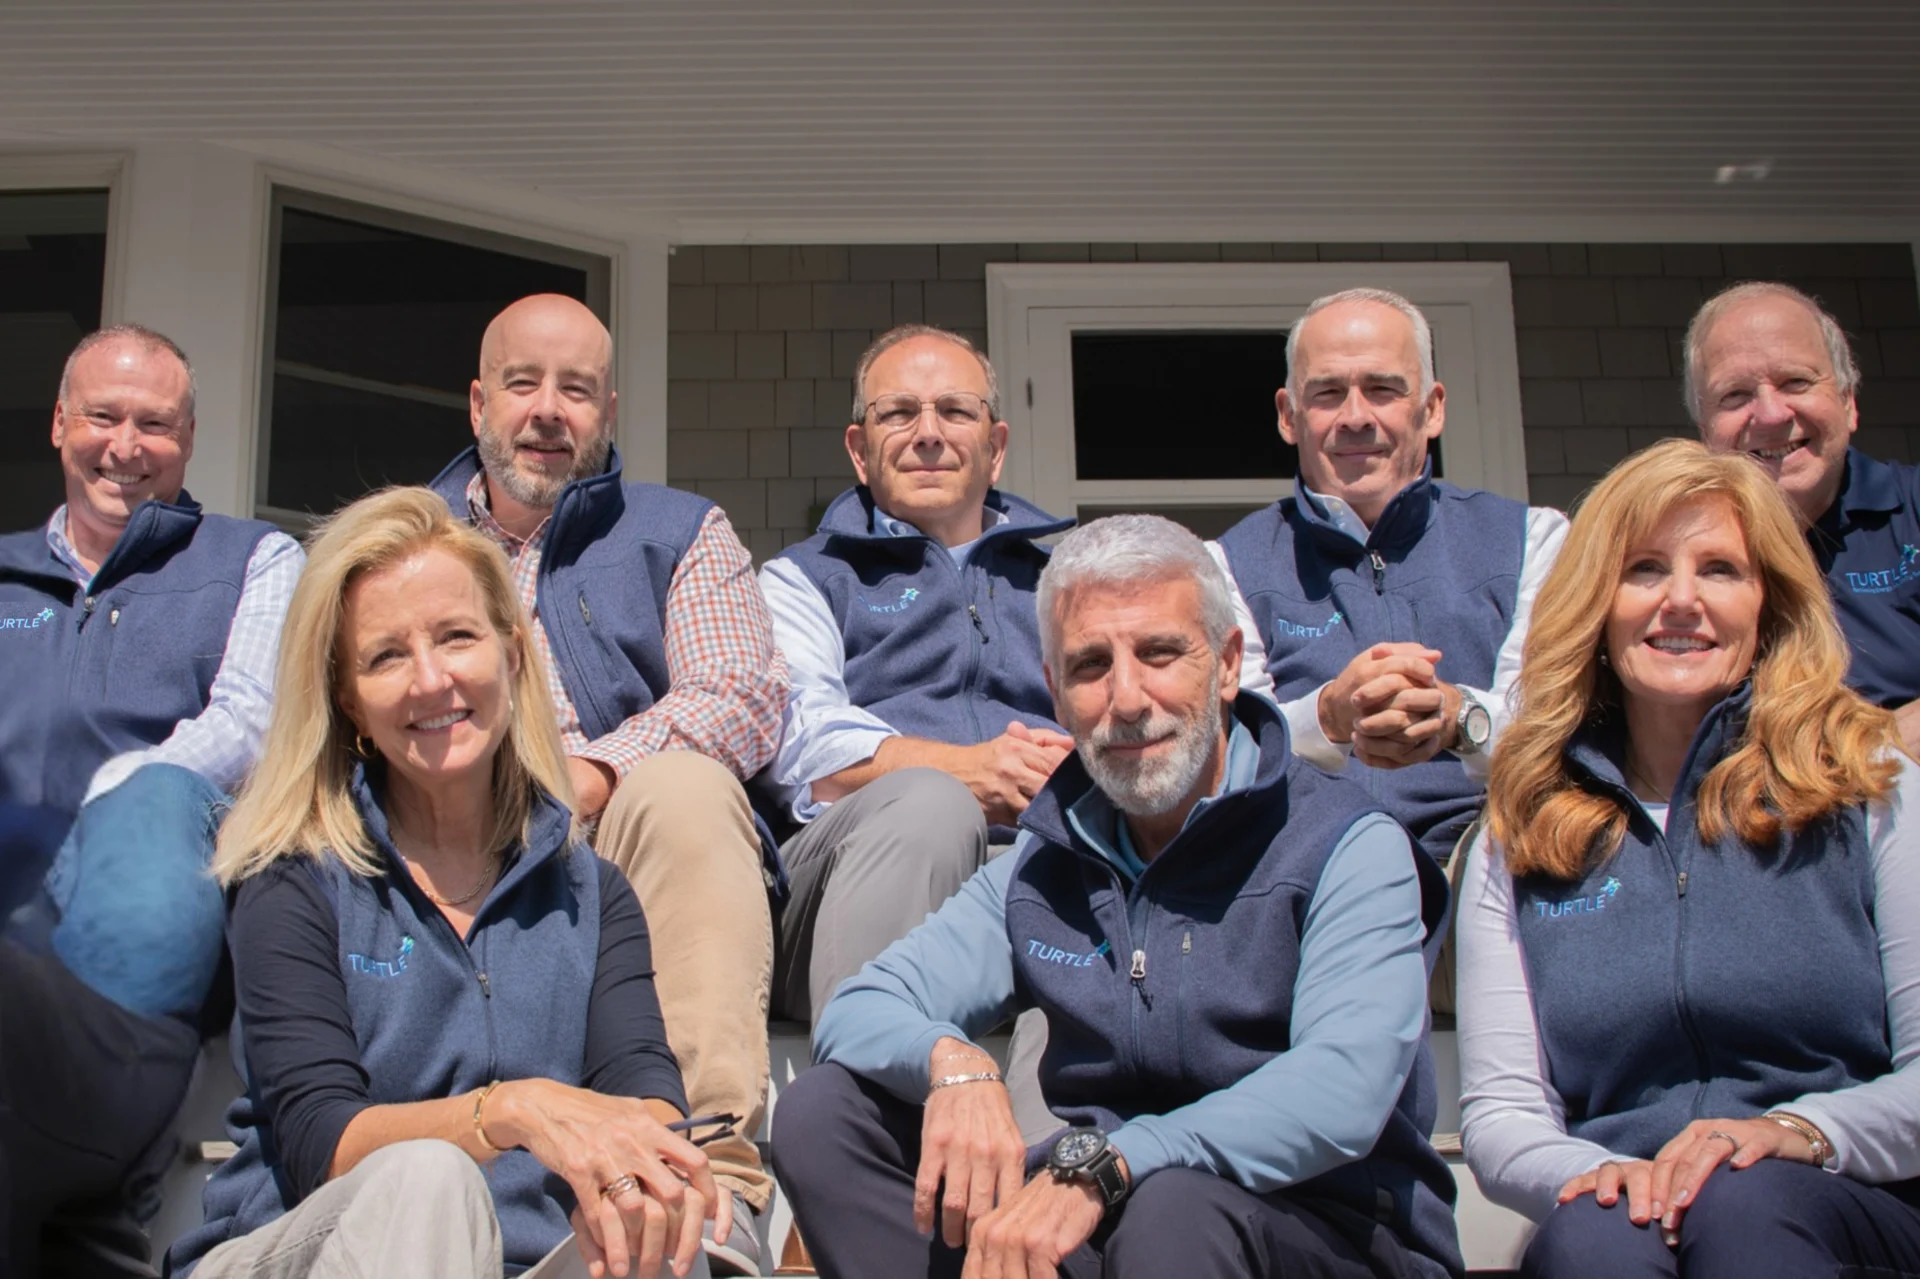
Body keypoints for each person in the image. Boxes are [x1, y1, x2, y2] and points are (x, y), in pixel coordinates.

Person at [772, 514, 1462, 1279]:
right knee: (824, 1114)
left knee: (1176, 1210)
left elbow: (1344, 1088)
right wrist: (954, 1064)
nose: (1127, 698)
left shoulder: (1347, 843)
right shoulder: (1048, 857)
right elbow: (863, 1005)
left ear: (1228, 664)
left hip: (1329, 1234)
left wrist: (1116, 1161)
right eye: (1091, 664)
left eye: (1160, 653)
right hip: (1107, 1225)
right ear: (1055, 694)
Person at [168, 487, 726, 1279]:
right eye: (386, 655)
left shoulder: (592, 892)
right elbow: (319, 1140)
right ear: (348, 698)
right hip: (310, 1248)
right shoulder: (290, 877)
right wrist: (511, 1110)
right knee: (428, 1180)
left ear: (513, 653)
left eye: (456, 637)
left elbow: (643, 1089)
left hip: (526, 1261)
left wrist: (645, 1173)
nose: (431, 680)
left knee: (659, 1231)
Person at [1457, 438, 1920, 1278]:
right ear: (1596, 600)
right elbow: (1501, 1113)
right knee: (1590, 1237)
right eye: (1643, 569)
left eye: (1719, 569)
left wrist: (1796, 1133)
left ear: (1767, 601)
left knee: (1743, 1199)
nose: (1681, 601)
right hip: (1622, 1198)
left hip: (1851, 1194)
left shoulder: (1867, 781)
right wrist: (1601, 1173)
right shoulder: (1523, 823)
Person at [428, 295, 787, 1273]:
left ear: (608, 411)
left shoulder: (677, 529)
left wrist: (593, 771)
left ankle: (713, 1179)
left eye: (576, 389)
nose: (549, 409)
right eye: (524, 383)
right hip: (441, 820)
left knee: (684, 784)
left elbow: (743, 694)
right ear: (476, 404)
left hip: (616, 826)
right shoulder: (406, 539)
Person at [0, 325, 301, 1273]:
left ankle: (97, 1169)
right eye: (103, 416)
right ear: (59, 423)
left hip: (147, 898)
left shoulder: (252, 557)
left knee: (156, 802)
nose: (126, 446)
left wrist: (107, 791)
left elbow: (250, 726)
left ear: (190, 438)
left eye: (156, 425)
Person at [757, 323, 1074, 1032]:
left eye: (955, 411)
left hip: (1031, 865)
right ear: (859, 449)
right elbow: (803, 745)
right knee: (931, 804)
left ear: (995, 447)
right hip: (862, 877)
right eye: (898, 412)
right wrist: (971, 772)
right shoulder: (802, 580)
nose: (927, 432)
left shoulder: (1067, 586)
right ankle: (865, 1107)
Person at [1211, 287, 1567, 870]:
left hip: (1496, 863)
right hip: (1309, 869)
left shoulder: (1534, 540)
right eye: (1327, 393)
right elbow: (1232, 750)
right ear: (1288, 416)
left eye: (1383, 389)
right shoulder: (1226, 563)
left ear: (1432, 408)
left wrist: (1457, 717)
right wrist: (1330, 715)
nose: (1356, 417)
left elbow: (1558, 723)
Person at [1687, 280, 1920, 753]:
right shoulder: (1677, 550)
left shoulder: (1914, 505)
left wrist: (1872, 751)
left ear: (1849, 402)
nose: (1771, 414)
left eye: (1796, 382)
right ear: (1704, 430)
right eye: (1735, 395)